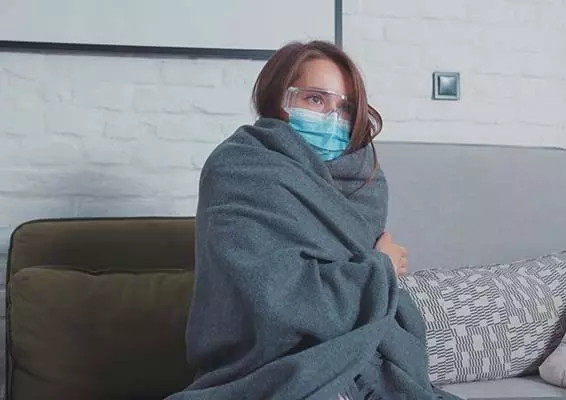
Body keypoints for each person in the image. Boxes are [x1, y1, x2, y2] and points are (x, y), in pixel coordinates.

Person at [166, 41, 460, 400]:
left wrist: (376, 273)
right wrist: (381, 268)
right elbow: (272, 301)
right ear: (279, 98)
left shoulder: (365, 181)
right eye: (316, 99)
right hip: (272, 363)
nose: (332, 118)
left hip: (367, 353)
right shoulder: (239, 170)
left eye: (345, 107)